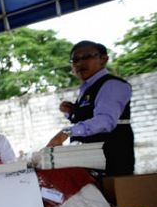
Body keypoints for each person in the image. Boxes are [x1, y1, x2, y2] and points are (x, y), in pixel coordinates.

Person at [47, 40, 134, 176]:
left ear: (103, 59)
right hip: (91, 161)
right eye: (75, 60)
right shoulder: (87, 88)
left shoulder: (111, 85)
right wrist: (70, 112)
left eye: (86, 57)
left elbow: (105, 121)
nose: (80, 63)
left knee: (117, 197)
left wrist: (66, 132)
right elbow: (87, 117)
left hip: (112, 160)